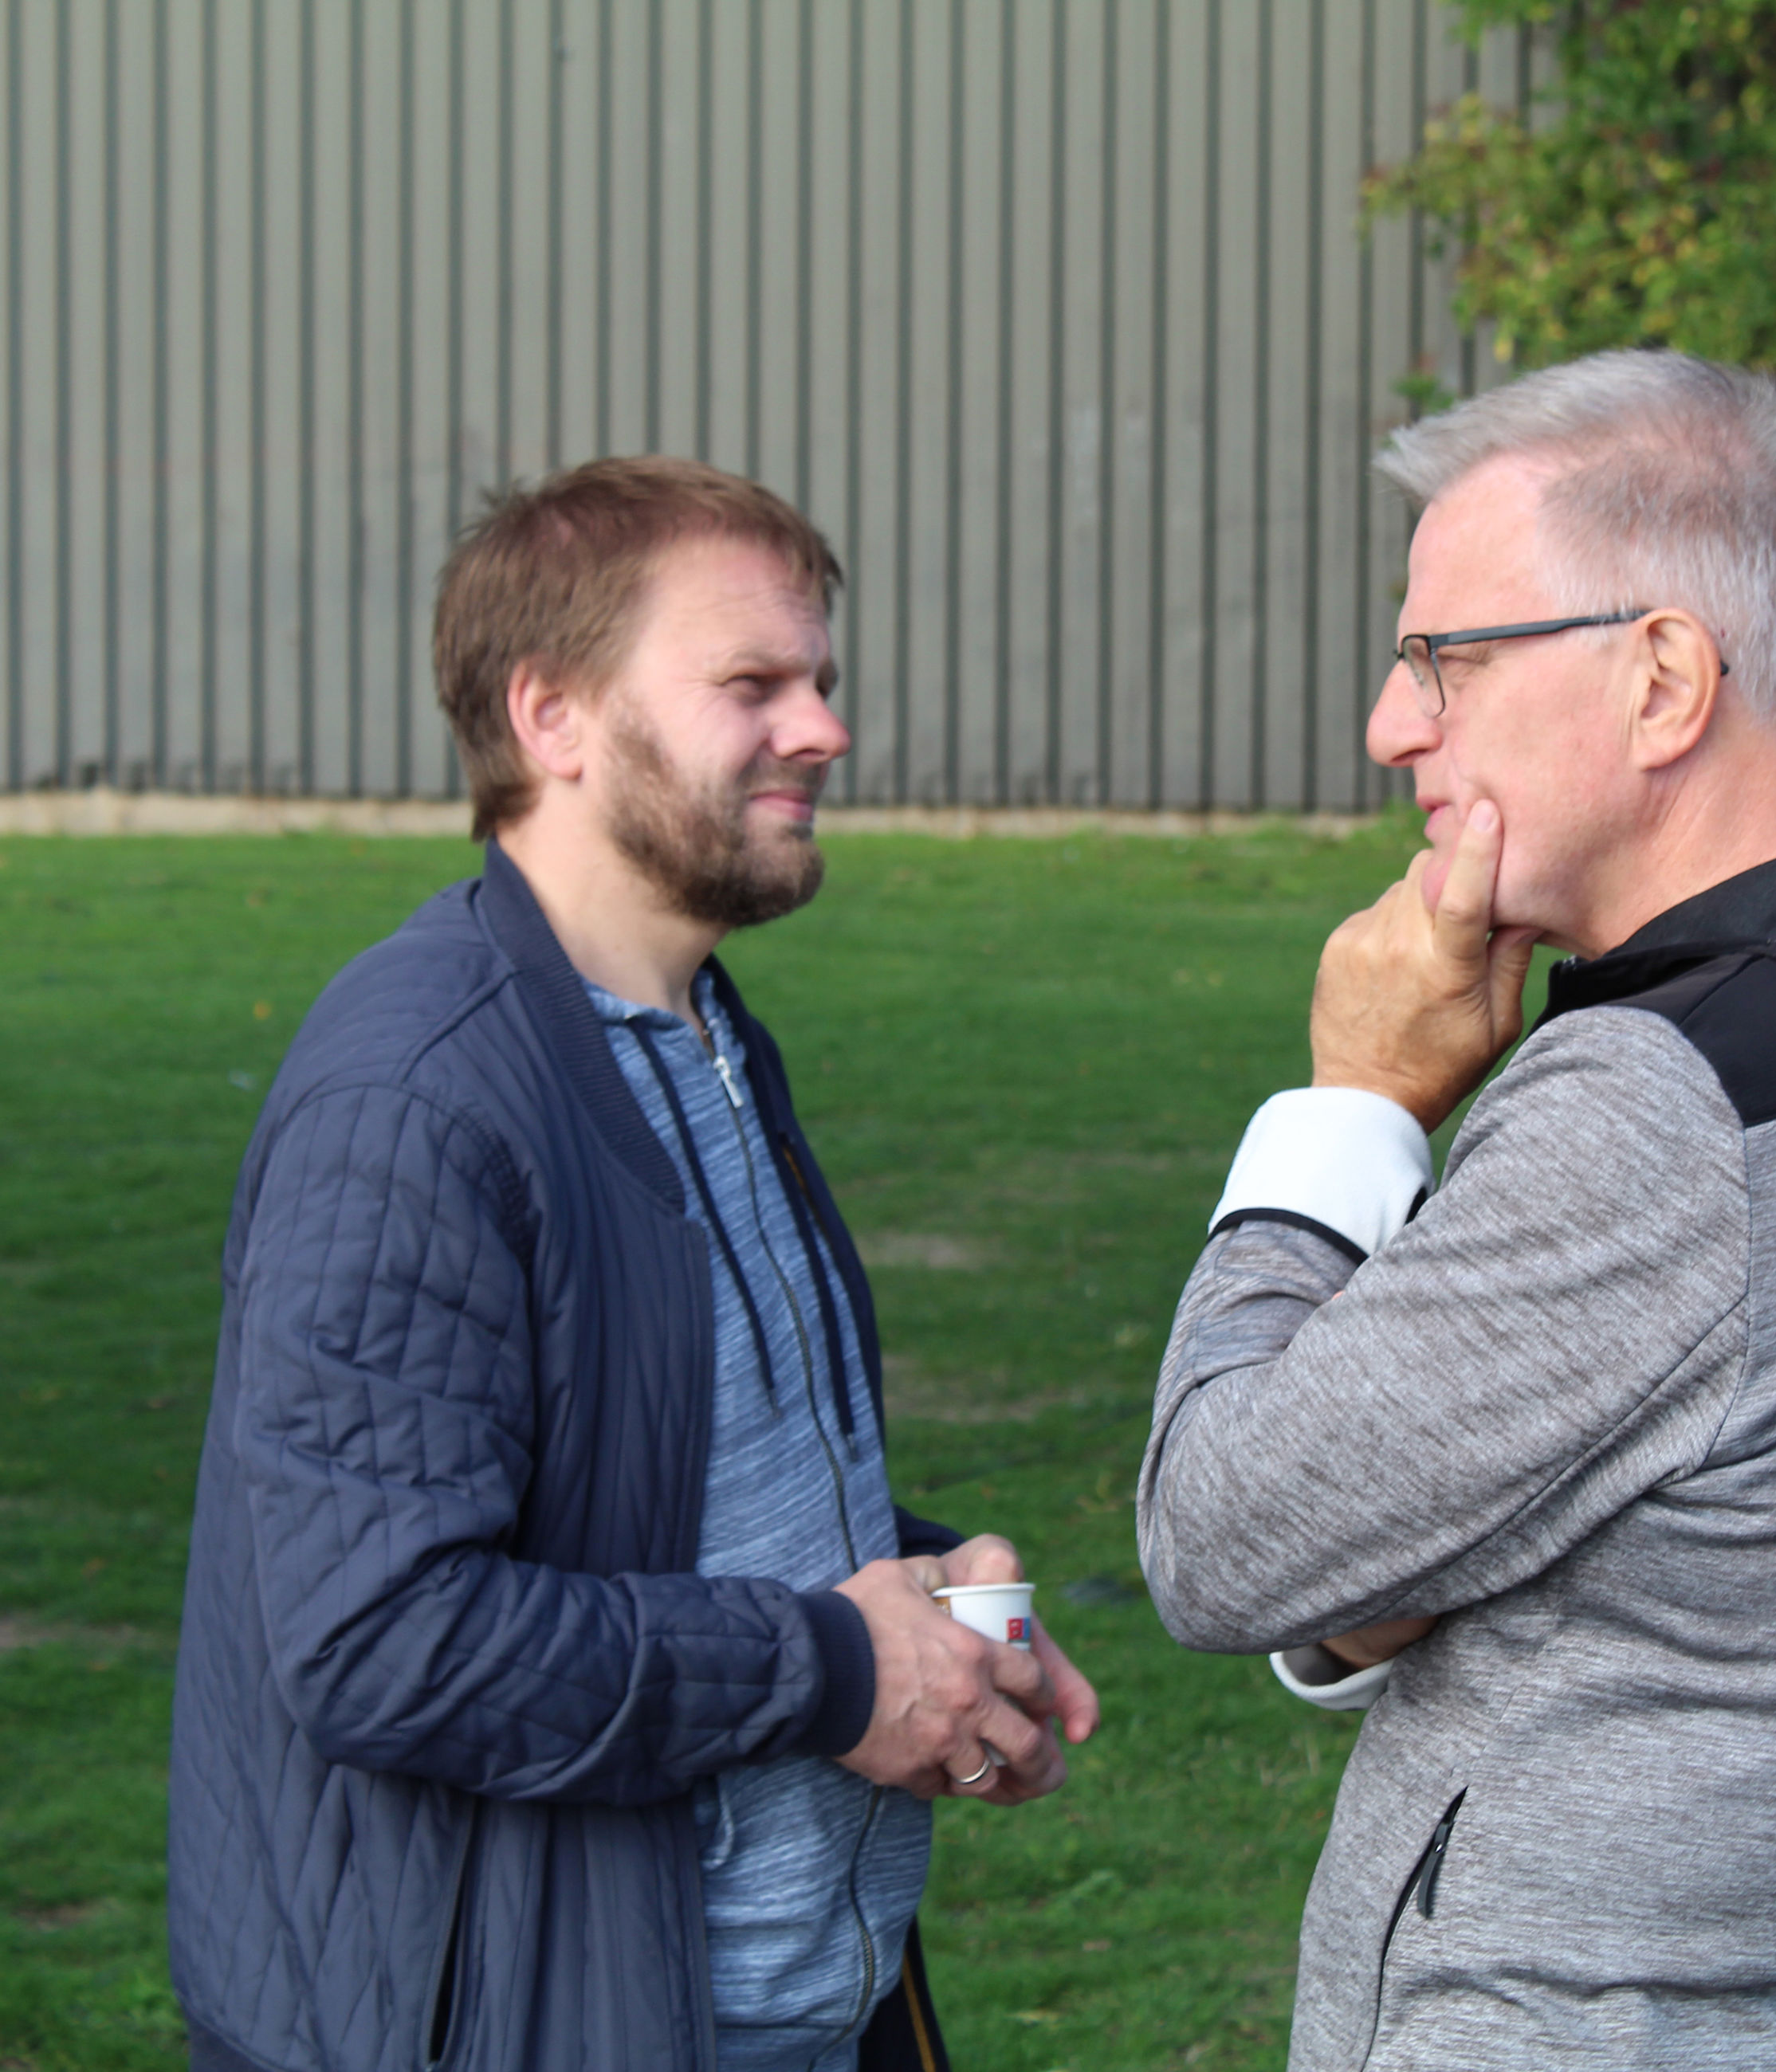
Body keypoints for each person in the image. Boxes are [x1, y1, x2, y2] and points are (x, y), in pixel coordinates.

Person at [1138, 352, 1776, 2070]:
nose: (1391, 723)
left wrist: (1348, 1106)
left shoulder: (1681, 1103)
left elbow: (1220, 1532)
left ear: (1660, 679)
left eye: (1443, 659)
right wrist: (1376, 1575)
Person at [168, 457, 1098, 2072]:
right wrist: (830, 1664)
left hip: (801, 2012)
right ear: (554, 718)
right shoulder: (420, 1097)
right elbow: (383, 1636)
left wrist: (925, 1610)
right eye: (754, 682)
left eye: (821, 680)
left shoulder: (703, 1035)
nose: (824, 728)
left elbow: (648, 1478)